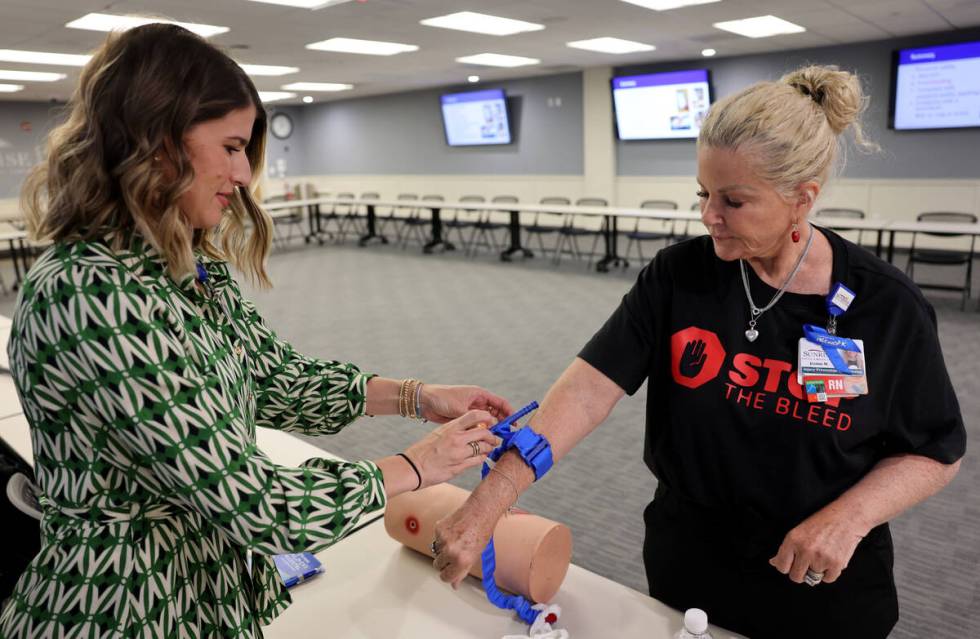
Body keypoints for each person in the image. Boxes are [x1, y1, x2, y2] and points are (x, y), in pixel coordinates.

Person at [0, 24, 509, 638]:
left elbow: (276, 379)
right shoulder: (89, 293)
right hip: (125, 608)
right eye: (232, 146)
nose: (244, 174)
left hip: (202, 592)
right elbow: (261, 508)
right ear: (157, 140)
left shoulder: (180, 269)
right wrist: (416, 465)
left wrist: (416, 396)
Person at [432, 65, 966, 638]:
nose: (708, 215)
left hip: (818, 579)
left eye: (733, 200)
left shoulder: (886, 306)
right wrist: (493, 496)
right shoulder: (680, 275)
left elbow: (934, 450)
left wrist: (849, 518)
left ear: (801, 199)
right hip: (688, 562)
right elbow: (588, 391)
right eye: (703, 194)